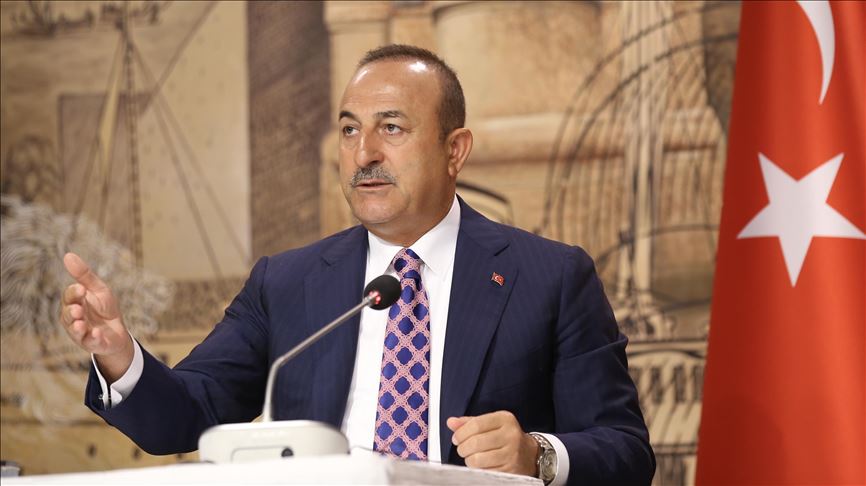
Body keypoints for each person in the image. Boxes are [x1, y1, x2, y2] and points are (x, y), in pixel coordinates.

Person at [60, 45, 654, 485]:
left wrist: (537, 455)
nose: (364, 153)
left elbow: (627, 452)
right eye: (350, 130)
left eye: (391, 128)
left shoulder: (551, 278)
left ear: (454, 151)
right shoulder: (286, 283)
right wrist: (119, 356)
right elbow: (183, 418)